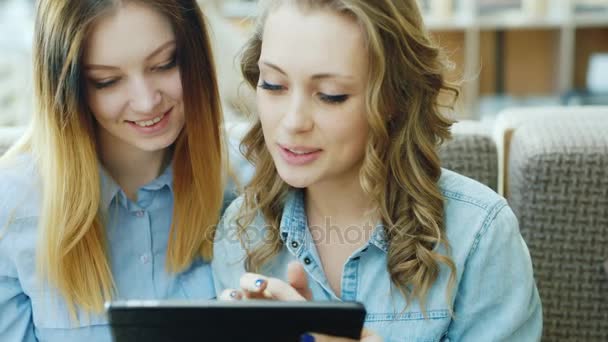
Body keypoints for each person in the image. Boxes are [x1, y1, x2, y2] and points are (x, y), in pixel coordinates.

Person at [211, 0, 543, 341]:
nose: (293, 122)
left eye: (331, 95)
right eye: (273, 85)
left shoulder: (479, 235)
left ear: (393, 97)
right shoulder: (240, 232)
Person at [0, 0, 227, 340]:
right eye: (107, 81)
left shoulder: (246, 182)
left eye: (165, 64)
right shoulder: (12, 208)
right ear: (70, 90)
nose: (146, 101)